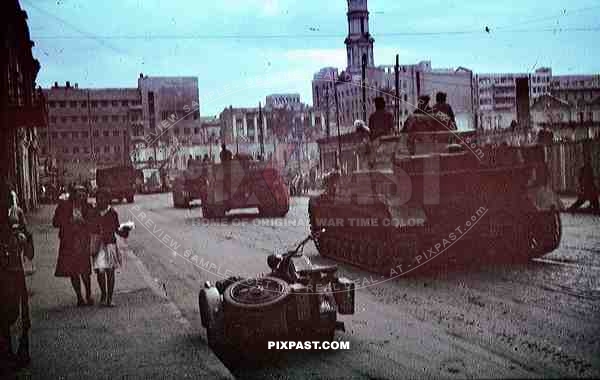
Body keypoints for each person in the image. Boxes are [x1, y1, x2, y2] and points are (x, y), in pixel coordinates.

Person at [1, 182, 32, 371]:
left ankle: (20, 351)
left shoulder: (16, 213)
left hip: (13, 268)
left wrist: (22, 237)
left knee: (18, 311)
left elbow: (28, 240)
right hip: (7, 269)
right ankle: (7, 354)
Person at [52, 185, 94, 306]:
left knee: (85, 271)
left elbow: (93, 223)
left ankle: (88, 294)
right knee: (73, 271)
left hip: (83, 242)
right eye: (78, 193)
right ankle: (79, 297)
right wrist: (68, 221)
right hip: (69, 243)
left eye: (83, 194)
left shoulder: (88, 207)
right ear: (73, 194)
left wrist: (85, 223)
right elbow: (55, 222)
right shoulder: (64, 206)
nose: (81, 196)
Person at [90, 189, 128, 307]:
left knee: (110, 272)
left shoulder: (112, 213)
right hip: (98, 245)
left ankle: (110, 298)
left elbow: (117, 229)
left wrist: (125, 231)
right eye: (98, 198)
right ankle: (103, 294)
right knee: (100, 272)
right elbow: (90, 227)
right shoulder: (94, 212)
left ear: (108, 199)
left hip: (110, 245)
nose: (101, 201)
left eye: (103, 198)